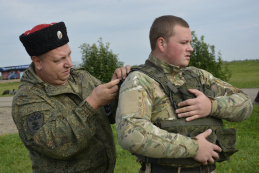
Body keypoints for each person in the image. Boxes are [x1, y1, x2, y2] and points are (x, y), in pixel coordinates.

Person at [116, 15, 253, 173]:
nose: (191, 48)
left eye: (190, 42)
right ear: (162, 43)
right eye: (184, 43)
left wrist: (211, 106)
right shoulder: (140, 80)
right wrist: (194, 148)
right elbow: (131, 134)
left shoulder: (199, 77)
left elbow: (245, 103)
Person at [12, 22, 130, 172]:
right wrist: (92, 103)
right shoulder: (27, 99)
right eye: (59, 60)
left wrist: (119, 87)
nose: (69, 63)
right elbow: (56, 144)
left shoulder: (80, 77)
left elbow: (111, 114)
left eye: (69, 55)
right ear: (38, 62)